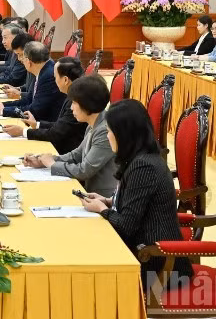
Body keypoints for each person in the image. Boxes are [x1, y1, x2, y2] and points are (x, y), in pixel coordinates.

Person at [80, 99, 193, 291]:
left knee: (85, 274)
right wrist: (107, 201)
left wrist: (102, 210)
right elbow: (137, 205)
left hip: (157, 263)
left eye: (109, 132)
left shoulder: (144, 166)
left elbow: (126, 226)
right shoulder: (140, 159)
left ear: (124, 135)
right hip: (146, 251)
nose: (107, 137)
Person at [23, 74, 117, 196]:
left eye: (74, 103)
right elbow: (76, 155)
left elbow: (84, 170)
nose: (71, 108)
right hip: (89, 193)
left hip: (102, 197)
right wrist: (42, 160)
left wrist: (52, 164)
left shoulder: (105, 130)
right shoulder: (93, 122)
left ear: (86, 104)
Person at [2, 57, 88, 154]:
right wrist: (36, 124)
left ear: (65, 80)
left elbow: (56, 134)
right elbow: (61, 125)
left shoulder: (76, 101)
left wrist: (23, 132)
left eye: (55, 77)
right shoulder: (72, 93)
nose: (54, 81)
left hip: (66, 152)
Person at [0, 41, 64, 122]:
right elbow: (28, 99)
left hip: (45, 125)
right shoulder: (43, 68)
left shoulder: (48, 76)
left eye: (22, 57)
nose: (19, 59)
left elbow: (34, 110)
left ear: (28, 62)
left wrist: (2, 111)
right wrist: (1, 105)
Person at [0, 33, 35, 100]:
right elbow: (29, 87)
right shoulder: (30, 63)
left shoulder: (35, 66)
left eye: (20, 54)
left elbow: (34, 99)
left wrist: (3, 109)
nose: (19, 58)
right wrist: (17, 89)